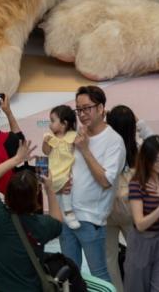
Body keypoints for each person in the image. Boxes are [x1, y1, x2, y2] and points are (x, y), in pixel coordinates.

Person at [61, 85, 126, 284]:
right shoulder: (78, 136)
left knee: (100, 277)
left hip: (91, 219)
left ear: (101, 108)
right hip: (67, 214)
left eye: (87, 108)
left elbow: (106, 181)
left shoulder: (114, 141)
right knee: (69, 276)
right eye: (78, 109)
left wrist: (85, 150)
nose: (82, 114)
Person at [0, 141, 64, 291]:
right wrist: (49, 188)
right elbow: (58, 221)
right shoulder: (42, 225)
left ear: (8, 193)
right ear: (36, 195)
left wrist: (17, 159)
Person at [105, 104, 154, 291]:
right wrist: (140, 122)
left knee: (108, 258)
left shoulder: (104, 149)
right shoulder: (141, 151)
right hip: (132, 212)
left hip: (106, 210)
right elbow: (157, 144)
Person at [126, 135, 159, 292]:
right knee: (136, 287)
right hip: (140, 242)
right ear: (147, 160)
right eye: (158, 160)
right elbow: (140, 224)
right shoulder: (137, 184)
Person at [42, 104, 80, 229]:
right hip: (54, 171)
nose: (50, 124)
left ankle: (68, 213)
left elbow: (78, 153)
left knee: (66, 190)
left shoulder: (73, 136)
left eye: (52, 121)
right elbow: (46, 152)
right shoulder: (50, 137)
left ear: (64, 124)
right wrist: (45, 142)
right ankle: (57, 217)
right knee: (56, 196)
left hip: (67, 171)